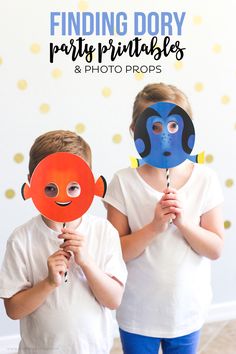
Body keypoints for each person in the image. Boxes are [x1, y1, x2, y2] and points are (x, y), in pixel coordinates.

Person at [104, 83, 224, 354]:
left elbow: (215, 248)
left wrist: (183, 222)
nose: (164, 135)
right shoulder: (123, 182)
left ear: (188, 130)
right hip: (137, 313)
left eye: (173, 126)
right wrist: (155, 227)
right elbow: (114, 252)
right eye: (154, 127)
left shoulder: (206, 179)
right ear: (135, 131)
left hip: (186, 311)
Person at [0, 130, 127, 354]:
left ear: (88, 184)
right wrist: (48, 283)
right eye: (50, 188)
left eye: (73, 188)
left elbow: (114, 299)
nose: (62, 197)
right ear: (32, 184)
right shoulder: (21, 239)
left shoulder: (104, 232)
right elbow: (13, 310)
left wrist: (87, 263)